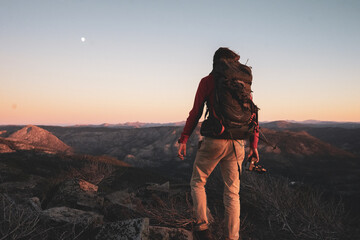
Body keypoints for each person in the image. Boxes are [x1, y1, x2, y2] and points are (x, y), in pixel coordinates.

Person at [177, 47, 259, 240]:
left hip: (215, 141)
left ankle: (203, 228)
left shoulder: (208, 81)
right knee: (232, 193)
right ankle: (232, 237)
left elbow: (195, 111)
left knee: (197, 181)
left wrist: (184, 138)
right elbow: (253, 114)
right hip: (238, 143)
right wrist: (254, 146)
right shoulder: (243, 84)